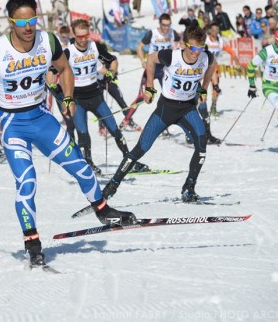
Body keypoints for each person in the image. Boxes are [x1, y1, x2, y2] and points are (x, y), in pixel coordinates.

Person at [0, 0, 135, 267]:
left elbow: (65, 69)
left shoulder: (48, 41)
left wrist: (68, 97)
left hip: (41, 118)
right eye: (22, 22)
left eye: (33, 20)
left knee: (81, 167)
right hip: (12, 124)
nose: (29, 27)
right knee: (28, 182)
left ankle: (103, 210)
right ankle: (32, 242)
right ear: (11, 23)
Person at [103, 25, 216, 203]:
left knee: (202, 146)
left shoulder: (206, 56)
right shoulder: (171, 55)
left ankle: (189, 188)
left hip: (188, 109)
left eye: (200, 48)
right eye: (193, 48)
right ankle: (112, 186)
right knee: (141, 148)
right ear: (185, 45)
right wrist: (149, 86)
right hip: (166, 108)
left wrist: (203, 89)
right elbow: (150, 59)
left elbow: (212, 65)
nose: (196, 53)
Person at [64, 19, 149, 173]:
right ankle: (88, 164)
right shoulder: (68, 52)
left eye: (86, 36)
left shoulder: (94, 46)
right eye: (80, 37)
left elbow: (112, 60)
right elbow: (53, 72)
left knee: (115, 130)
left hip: (96, 97)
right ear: (73, 35)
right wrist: (60, 93)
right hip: (78, 100)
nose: (83, 40)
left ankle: (129, 161)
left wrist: (111, 72)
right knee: (83, 134)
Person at [121, 14, 181, 130]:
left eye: (168, 25)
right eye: (164, 25)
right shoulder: (152, 33)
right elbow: (139, 47)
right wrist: (143, 60)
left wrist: (175, 52)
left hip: (165, 70)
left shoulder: (172, 33)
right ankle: (126, 120)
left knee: (169, 97)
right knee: (142, 96)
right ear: (159, 23)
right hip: (151, 68)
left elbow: (181, 43)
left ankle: (164, 126)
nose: (166, 28)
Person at [205, 22, 238, 124]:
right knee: (202, 89)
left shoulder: (220, 41)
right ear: (210, 31)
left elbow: (229, 49)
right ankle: (200, 108)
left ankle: (213, 108)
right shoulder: (206, 40)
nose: (215, 32)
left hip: (215, 68)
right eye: (213, 30)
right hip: (204, 68)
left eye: (217, 30)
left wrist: (234, 56)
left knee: (215, 89)